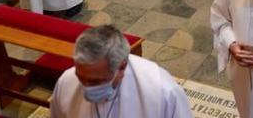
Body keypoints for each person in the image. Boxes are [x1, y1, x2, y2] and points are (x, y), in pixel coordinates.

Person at [50, 25, 191, 118]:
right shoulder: (67, 82)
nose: (86, 87)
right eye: (81, 77)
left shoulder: (163, 92)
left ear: (122, 67)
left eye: (96, 81)